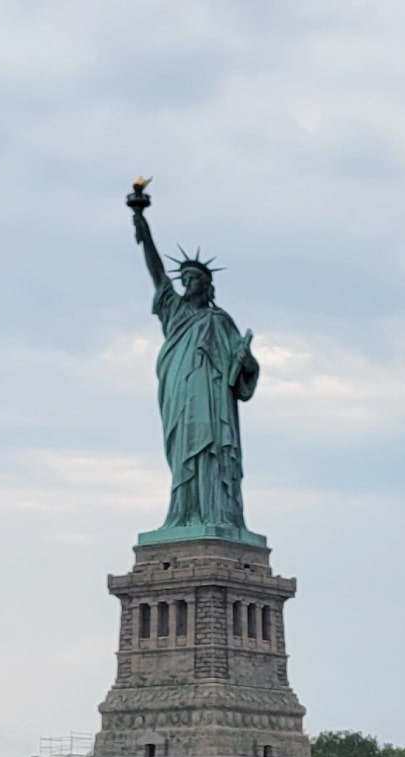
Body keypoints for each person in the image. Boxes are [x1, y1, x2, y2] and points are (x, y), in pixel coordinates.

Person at [130, 197, 259, 533]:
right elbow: (157, 272)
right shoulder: (173, 311)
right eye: (184, 278)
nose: (188, 283)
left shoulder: (220, 321)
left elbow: (243, 372)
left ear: (208, 285)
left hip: (214, 400)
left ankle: (217, 515)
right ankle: (184, 514)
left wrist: (246, 362)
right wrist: (142, 226)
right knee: (184, 451)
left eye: (194, 278)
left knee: (214, 450)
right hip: (181, 392)